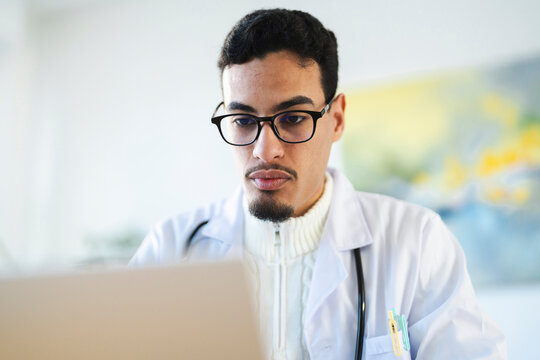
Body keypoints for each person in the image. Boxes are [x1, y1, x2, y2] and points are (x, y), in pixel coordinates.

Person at [130, 8, 506, 360]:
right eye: (243, 120)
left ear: (337, 118)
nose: (266, 150)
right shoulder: (170, 249)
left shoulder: (416, 243)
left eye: (292, 117)